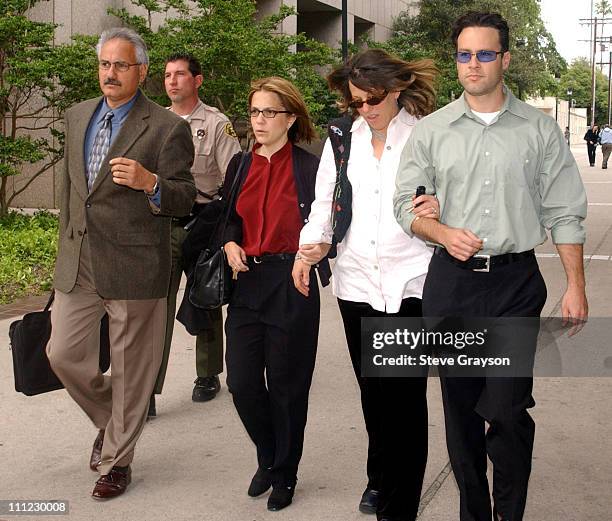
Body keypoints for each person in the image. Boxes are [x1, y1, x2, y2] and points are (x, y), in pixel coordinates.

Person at [394, 12, 588, 521]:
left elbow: (564, 210)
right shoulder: (432, 132)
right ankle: (474, 513)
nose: (472, 64)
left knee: (505, 409)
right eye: (463, 54)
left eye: (484, 54)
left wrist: (575, 286)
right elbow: (405, 205)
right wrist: (438, 229)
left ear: (504, 59)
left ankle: (510, 511)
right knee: (460, 415)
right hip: (451, 288)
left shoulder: (539, 131)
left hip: (513, 285)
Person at [46, 27, 196, 500]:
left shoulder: (167, 127)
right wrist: (63, 253)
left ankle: (117, 461)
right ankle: (114, 422)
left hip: (135, 265)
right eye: (105, 65)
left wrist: (151, 182)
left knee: (133, 371)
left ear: (142, 72)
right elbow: (72, 193)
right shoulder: (75, 117)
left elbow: (186, 197)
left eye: (121, 65)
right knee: (62, 356)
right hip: (82, 262)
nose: (110, 74)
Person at [294, 49, 440, 521]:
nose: (366, 109)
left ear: (396, 89)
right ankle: (381, 477)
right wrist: (311, 245)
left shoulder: (427, 134)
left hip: (409, 281)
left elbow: (451, 193)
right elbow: (324, 199)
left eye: (374, 99)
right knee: (374, 392)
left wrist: (441, 207)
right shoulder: (342, 136)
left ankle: (400, 507)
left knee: (405, 400)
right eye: (357, 101)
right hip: (356, 283)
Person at [223, 77, 331, 512]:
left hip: (293, 282)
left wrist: (317, 250)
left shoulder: (310, 167)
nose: (260, 120)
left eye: (269, 112)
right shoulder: (240, 165)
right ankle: (268, 456)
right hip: (248, 282)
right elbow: (227, 216)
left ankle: (285, 472)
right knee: (242, 382)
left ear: (290, 118)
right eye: (254, 112)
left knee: (287, 387)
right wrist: (230, 241)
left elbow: (329, 221)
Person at [149, 53, 241, 414]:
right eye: (168, 75)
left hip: (203, 221)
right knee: (156, 306)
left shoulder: (216, 124)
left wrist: (223, 225)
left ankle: (208, 373)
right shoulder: (154, 122)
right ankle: (149, 387)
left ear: (197, 80)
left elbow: (234, 177)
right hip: (162, 222)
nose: (172, 81)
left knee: (206, 295)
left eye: (180, 75)